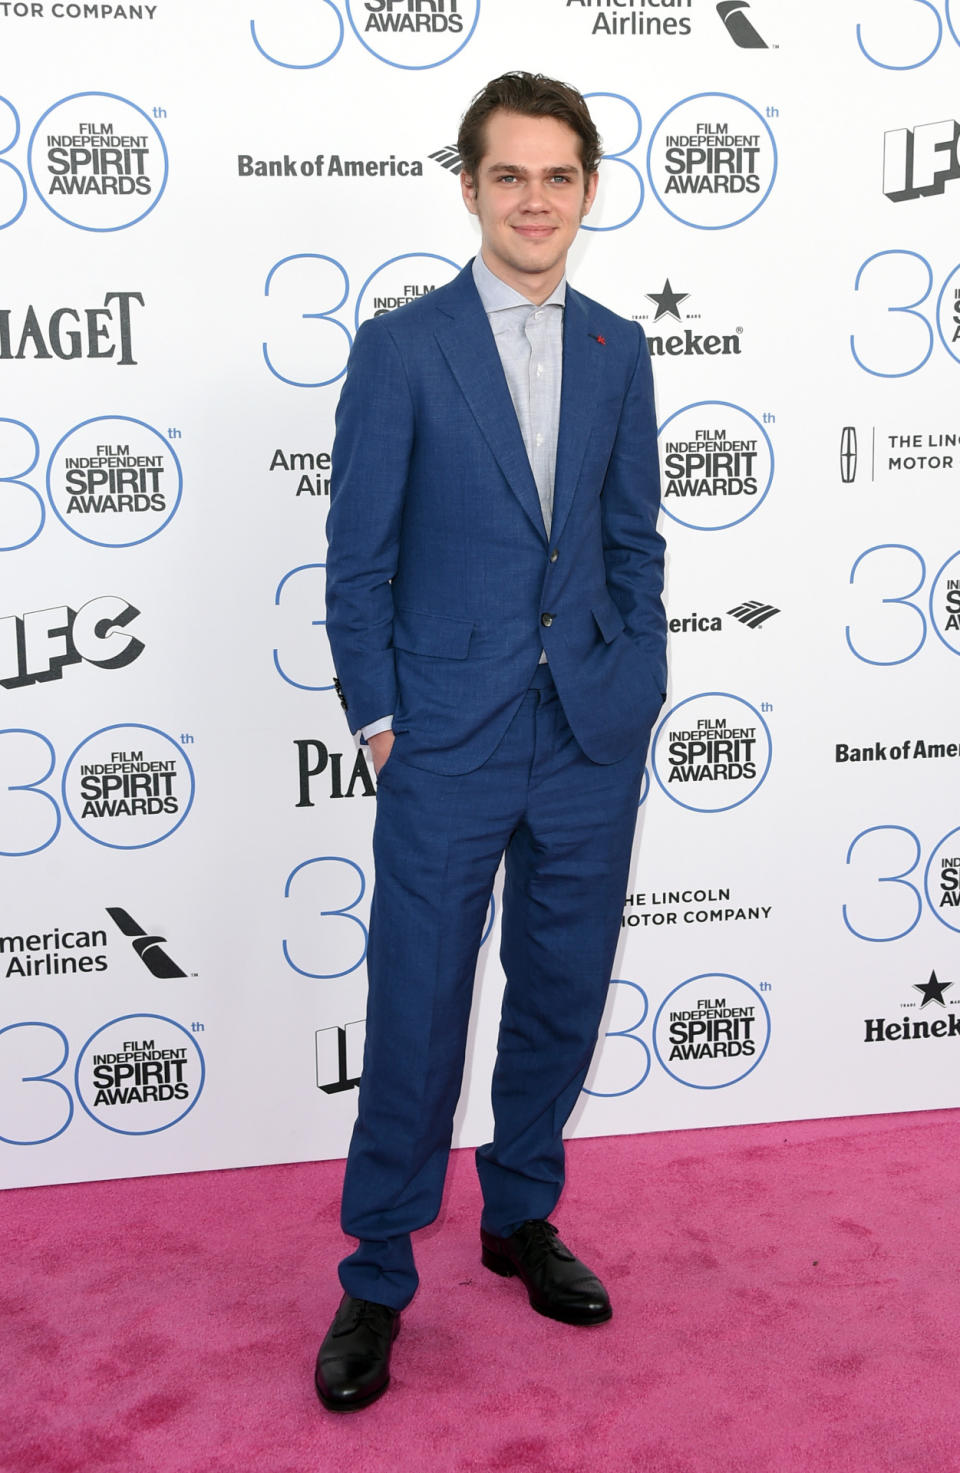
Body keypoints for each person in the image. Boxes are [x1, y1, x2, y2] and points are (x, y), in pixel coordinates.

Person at [317, 71, 667, 1412]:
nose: (535, 200)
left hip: (586, 729)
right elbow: (358, 563)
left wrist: (629, 686)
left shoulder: (617, 348)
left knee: (563, 988)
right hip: (446, 740)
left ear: (587, 188)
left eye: (558, 175)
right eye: (508, 175)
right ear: (468, 187)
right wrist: (382, 721)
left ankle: (520, 1212)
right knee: (415, 1008)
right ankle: (376, 1270)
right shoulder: (403, 350)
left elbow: (635, 539)